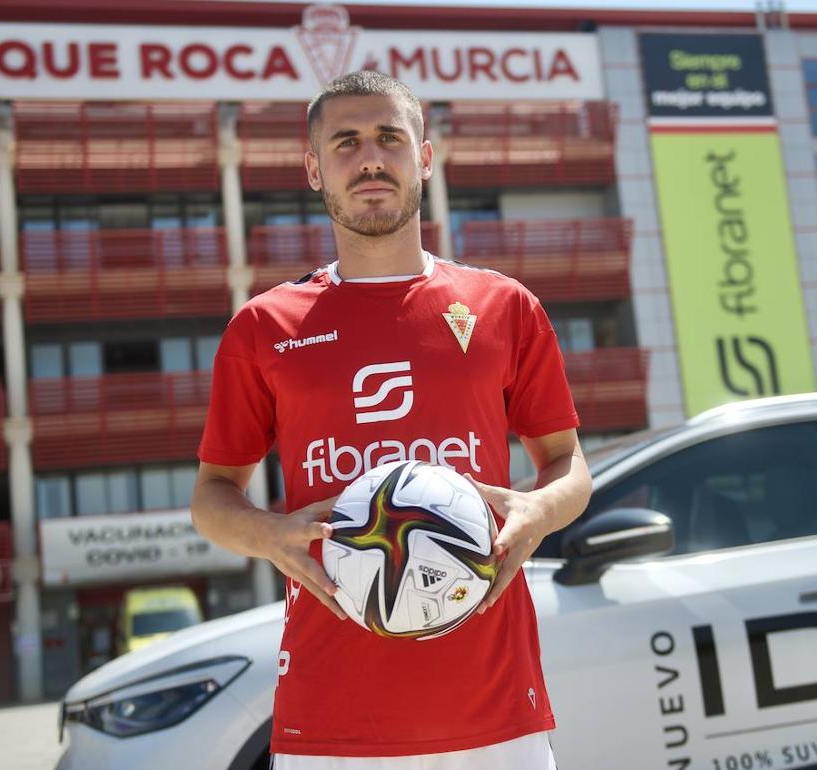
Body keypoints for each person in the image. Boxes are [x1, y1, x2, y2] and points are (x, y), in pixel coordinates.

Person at [192, 70, 592, 769]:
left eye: (389, 138)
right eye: (346, 142)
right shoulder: (264, 327)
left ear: (425, 158)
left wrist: (538, 511)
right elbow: (212, 496)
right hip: (332, 721)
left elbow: (568, 464)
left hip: (495, 711)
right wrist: (270, 536)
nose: (370, 158)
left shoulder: (503, 307)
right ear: (314, 168)